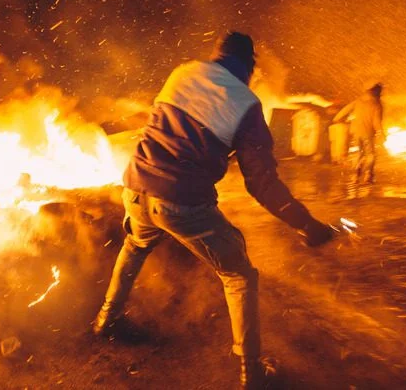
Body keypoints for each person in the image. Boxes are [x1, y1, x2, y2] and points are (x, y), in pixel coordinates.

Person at [92, 31, 338, 389]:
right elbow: (262, 184)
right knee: (239, 275)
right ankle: (252, 373)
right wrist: (306, 224)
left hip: (134, 187)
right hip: (180, 201)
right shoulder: (247, 104)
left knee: (135, 245)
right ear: (249, 65)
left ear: (216, 55)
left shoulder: (183, 73)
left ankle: (106, 319)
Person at [334, 83, 385, 184]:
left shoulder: (358, 101)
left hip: (356, 132)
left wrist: (337, 118)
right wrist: (381, 133)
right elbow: (376, 121)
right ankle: (368, 176)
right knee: (370, 155)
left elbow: (345, 110)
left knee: (358, 154)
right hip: (368, 133)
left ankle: (355, 176)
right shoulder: (376, 104)